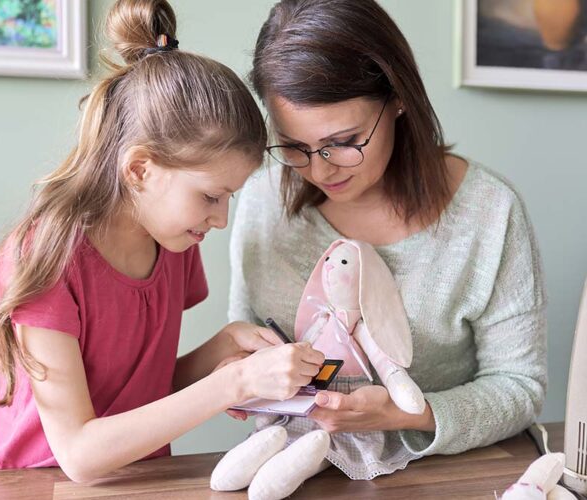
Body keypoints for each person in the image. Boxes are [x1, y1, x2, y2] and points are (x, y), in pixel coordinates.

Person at [0, 0, 325, 481]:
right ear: (140, 169)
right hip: (42, 486)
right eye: (211, 195)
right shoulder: (46, 259)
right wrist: (232, 382)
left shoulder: (174, 245)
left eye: (229, 197)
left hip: (142, 481)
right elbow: (79, 454)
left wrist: (221, 349)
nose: (222, 219)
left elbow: (138, 391)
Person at [225, 0, 547, 493]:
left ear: (398, 97)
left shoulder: (489, 213)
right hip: (294, 475)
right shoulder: (261, 203)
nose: (321, 168)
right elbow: (244, 342)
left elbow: (520, 387)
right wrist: (242, 377)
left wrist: (407, 414)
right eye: (294, 147)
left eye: (345, 139)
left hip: (444, 480)